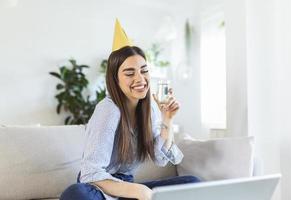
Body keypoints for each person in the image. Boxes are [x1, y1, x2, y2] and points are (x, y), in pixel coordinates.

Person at [60, 19, 200, 200]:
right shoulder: (109, 110)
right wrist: (139, 191)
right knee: (75, 194)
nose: (140, 78)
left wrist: (167, 119)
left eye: (144, 70)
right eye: (129, 73)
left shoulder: (149, 108)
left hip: (126, 188)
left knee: (192, 183)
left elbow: (161, 158)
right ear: (115, 79)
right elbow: (89, 173)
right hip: (101, 189)